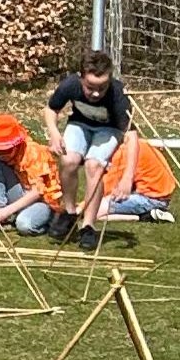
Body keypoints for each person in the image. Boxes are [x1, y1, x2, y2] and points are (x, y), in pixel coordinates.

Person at [43, 50, 128, 250]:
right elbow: (51, 109)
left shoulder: (118, 94)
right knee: (69, 160)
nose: (96, 93)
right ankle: (69, 213)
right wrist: (54, 133)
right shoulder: (70, 85)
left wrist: (127, 177)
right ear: (81, 78)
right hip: (80, 125)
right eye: (90, 87)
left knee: (93, 165)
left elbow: (132, 136)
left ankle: (88, 226)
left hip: (109, 129)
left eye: (102, 87)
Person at [0, 113, 64, 236]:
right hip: (20, 194)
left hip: (42, 201)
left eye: (4, 151)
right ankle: (0, 214)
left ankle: (51, 220)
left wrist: (5, 212)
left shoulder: (33, 153)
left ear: (15, 145)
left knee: (24, 225)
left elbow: (37, 192)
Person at [89, 130, 177, 225]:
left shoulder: (122, 152)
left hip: (151, 199)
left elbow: (108, 189)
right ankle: (151, 213)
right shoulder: (140, 143)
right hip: (163, 196)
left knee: (93, 211)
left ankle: (144, 217)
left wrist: (82, 207)